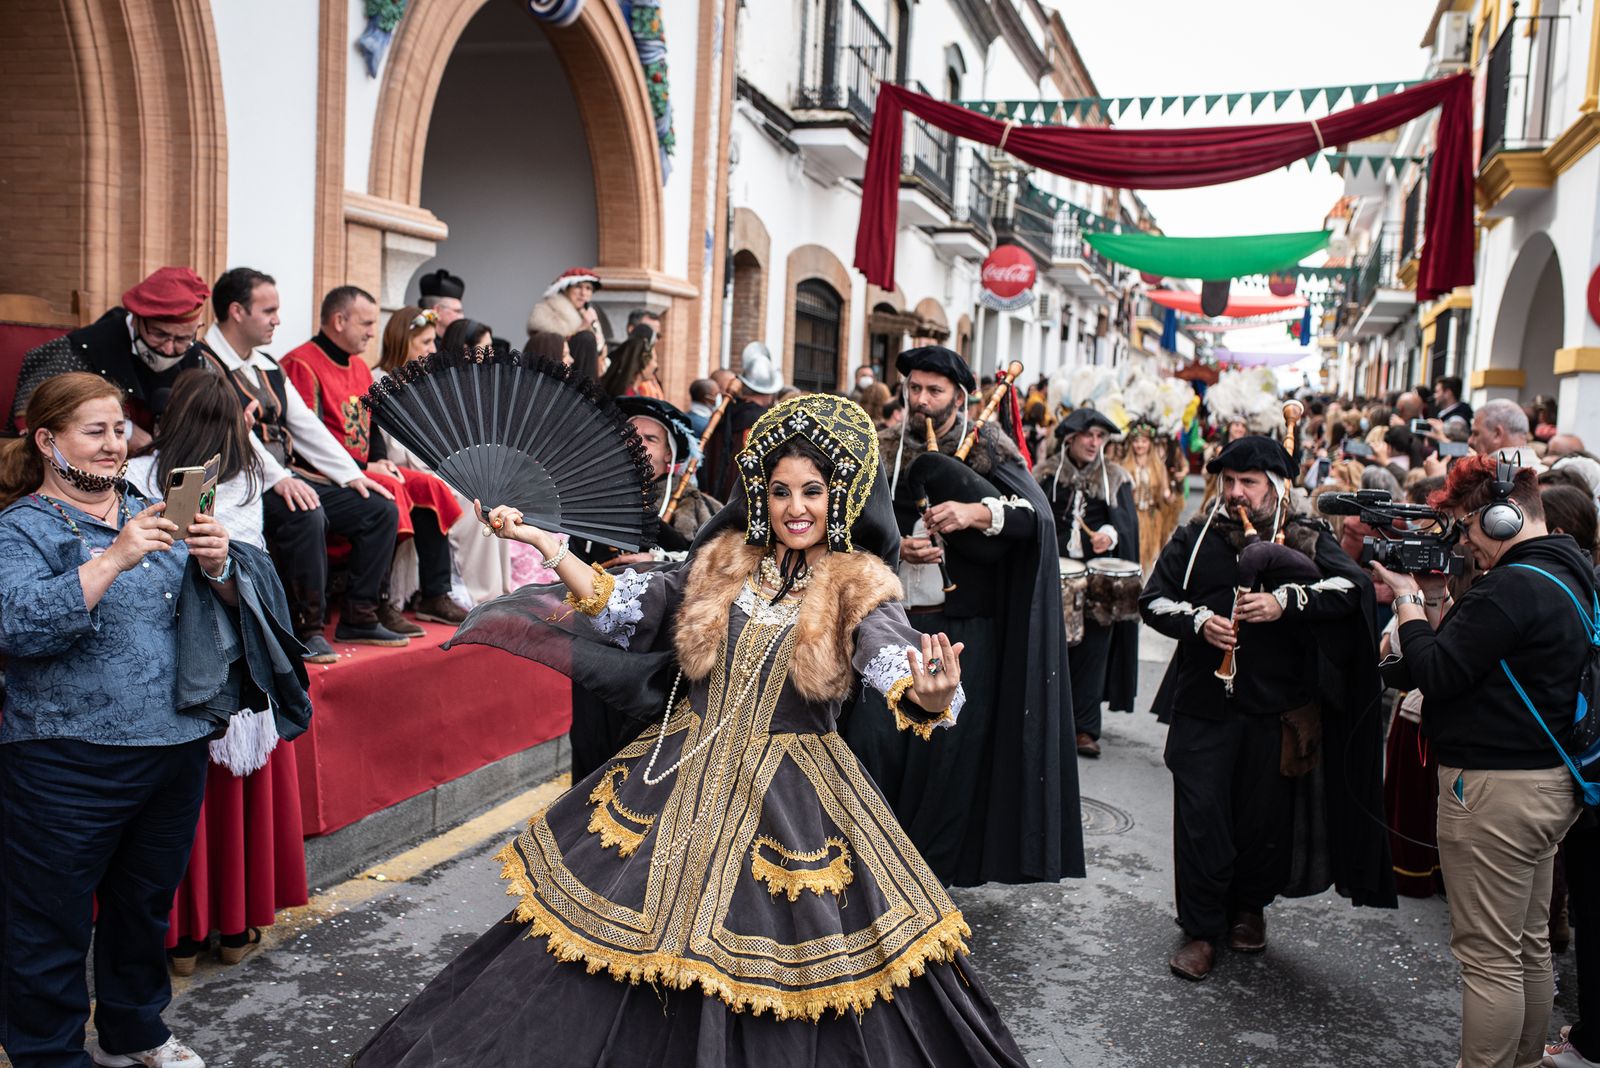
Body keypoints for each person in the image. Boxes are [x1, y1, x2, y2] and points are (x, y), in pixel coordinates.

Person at [357, 393, 1026, 1066]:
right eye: (781, 490)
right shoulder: (722, 561)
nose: (797, 507)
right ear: (760, 495)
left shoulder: (858, 582)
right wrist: (542, 542)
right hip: (677, 770)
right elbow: (621, 607)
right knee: (600, 953)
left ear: (842, 496)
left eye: (815, 491)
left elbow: (892, 658)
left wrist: (931, 692)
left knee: (788, 969)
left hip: (792, 798)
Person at [0, 372, 305, 1068]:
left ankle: (133, 1034)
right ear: (48, 442)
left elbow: (222, 607)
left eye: (118, 429)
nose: (113, 445)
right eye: (94, 431)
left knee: (142, 910)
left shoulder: (153, 503)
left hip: (173, 744)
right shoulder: (19, 529)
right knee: (49, 923)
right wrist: (114, 556)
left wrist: (224, 566)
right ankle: (47, 1055)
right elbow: (14, 625)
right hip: (64, 757)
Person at [1140, 435, 1395, 981]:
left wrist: (1286, 602)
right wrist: (1197, 622)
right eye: (1228, 482)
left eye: (1248, 483)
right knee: (1201, 820)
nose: (1235, 493)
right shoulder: (1196, 534)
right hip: (1204, 706)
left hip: (1276, 711)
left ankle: (1249, 910)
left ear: (1275, 488)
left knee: (1262, 822)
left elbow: (1351, 591)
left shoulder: (1306, 536)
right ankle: (1202, 929)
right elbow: (1153, 598)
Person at [1370, 456, 1591, 1068]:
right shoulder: (1569, 568)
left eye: (1467, 528)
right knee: (1527, 948)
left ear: (1502, 516)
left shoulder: (1512, 585)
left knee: (1489, 961)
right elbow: (1474, 657)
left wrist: (1410, 603)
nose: (1465, 543)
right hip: (1548, 786)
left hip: (1498, 792)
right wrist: (1438, 604)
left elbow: (1437, 673)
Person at [847, 345, 1081, 887]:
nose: (924, 401)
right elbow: (846, 530)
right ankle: (868, 871)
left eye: (936, 390)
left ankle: (930, 881)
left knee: (951, 758)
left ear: (959, 395)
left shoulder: (990, 450)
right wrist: (897, 547)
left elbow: (1035, 522)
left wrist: (976, 512)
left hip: (966, 628)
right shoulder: (882, 450)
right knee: (877, 741)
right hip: (892, 624)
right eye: (916, 389)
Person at [123, 370, 309, 975]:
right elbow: (252, 580)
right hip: (230, 658)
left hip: (159, 654)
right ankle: (234, 925)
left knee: (178, 814)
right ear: (235, 426)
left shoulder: (136, 475)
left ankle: (179, 938)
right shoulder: (248, 479)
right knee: (225, 808)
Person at [198, 275, 407, 661]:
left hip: (283, 476)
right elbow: (235, 433)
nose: (278, 319)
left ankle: (359, 614)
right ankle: (305, 627)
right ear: (236, 311)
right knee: (304, 512)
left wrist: (352, 476)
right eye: (269, 310)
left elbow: (305, 425)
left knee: (379, 507)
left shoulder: (267, 365)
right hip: (238, 481)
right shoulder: (204, 362)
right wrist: (279, 479)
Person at [563, 396, 722, 782]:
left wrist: (658, 558)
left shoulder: (696, 509)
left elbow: (710, 568)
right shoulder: (591, 501)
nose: (637, 442)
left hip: (654, 653)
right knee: (589, 743)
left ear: (669, 459)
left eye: (650, 438)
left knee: (639, 749)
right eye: (630, 435)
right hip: (594, 644)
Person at [280, 302, 467, 627]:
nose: (372, 331)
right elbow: (306, 439)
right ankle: (378, 600)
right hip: (325, 471)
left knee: (430, 485)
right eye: (366, 323)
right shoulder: (302, 363)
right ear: (339, 320)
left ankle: (435, 594)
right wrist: (360, 467)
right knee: (392, 487)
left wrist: (378, 459)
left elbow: (371, 424)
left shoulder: (360, 367)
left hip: (363, 466)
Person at [8, 267, 212, 451]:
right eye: (159, 334)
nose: (169, 349)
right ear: (136, 320)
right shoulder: (81, 351)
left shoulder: (196, 358)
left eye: (183, 338)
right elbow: (41, 411)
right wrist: (125, 430)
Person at [1035, 407, 1139, 758]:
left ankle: (1084, 728)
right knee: (1053, 650)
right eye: (1088, 436)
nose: (1095, 443)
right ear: (1070, 439)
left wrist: (1110, 535)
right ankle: (1050, 721)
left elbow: (1126, 527)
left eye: (1100, 437)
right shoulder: (1046, 475)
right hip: (1056, 577)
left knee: (1093, 652)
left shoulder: (1115, 477)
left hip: (1097, 584)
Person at [702, 342, 783, 501]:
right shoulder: (765, 422)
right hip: (743, 502)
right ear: (769, 393)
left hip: (713, 498)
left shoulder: (724, 413)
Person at [1126, 425, 1175, 575]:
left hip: (1151, 517)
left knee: (1149, 553)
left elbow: (1165, 490)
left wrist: (1168, 496)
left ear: (1150, 444)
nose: (1140, 445)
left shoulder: (1158, 467)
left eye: (1144, 441)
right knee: (1133, 552)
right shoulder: (1125, 466)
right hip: (1132, 517)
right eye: (1136, 441)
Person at [526, 267, 605, 356]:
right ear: (566, 289)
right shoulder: (547, 309)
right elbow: (549, 346)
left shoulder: (588, 314)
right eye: (578, 286)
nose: (583, 293)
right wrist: (581, 328)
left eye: (588, 288)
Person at [1471, 398, 1547, 471]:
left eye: (1476, 434)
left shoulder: (1484, 476)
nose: (1470, 441)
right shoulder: (1548, 473)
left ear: (1497, 434)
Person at [597, 324, 662, 398]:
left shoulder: (632, 393)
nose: (656, 366)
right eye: (655, 360)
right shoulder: (627, 396)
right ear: (643, 360)